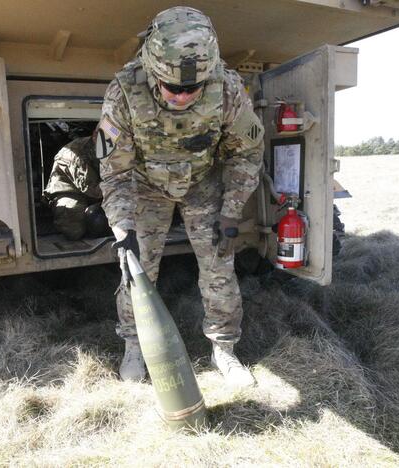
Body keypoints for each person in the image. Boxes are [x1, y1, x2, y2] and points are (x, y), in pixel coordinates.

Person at [97, 6, 264, 386]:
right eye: (173, 88)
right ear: (154, 71)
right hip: (145, 186)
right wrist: (123, 228)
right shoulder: (123, 91)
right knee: (137, 270)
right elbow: (114, 169)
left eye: (193, 88)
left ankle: (224, 348)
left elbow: (246, 151)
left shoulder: (229, 88)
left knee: (220, 266)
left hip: (203, 184)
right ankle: (135, 346)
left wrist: (231, 212)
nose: (183, 96)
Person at [44, 135, 103, 240]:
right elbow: (92, 189)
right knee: (74, 229)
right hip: (69, 191)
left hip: (98, 188)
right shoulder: (76, 154)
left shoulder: (111, 146)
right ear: (95, 136)